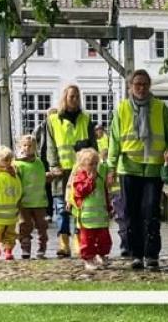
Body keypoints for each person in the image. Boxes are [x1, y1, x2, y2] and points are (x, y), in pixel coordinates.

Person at [106, 69, 168, 270]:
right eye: (137, 84)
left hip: (154, 168)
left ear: (149, 86)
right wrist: (111, 167)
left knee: (151, 211)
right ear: (130, 87)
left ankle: (152, 254)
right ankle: (136, 254)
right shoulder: (122, 109)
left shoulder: (160, 108)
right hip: (129, 168)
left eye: (145, 84)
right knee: (131, 213)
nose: (141, 88)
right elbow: (114, 140)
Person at [46, 86, 96, 257]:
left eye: (77, 96)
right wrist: (53, 165)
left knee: (79, 207)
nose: (75, 99)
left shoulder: (86, 119)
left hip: (81, 171)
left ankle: (78, 240)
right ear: (65, 98)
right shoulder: (53, 120)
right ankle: (63, 242)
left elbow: (93, 145)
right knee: (61, 208)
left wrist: (93, 166)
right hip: (62, 171)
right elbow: (50, 146)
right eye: (71, 96)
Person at [66, 147, 113, 271]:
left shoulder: (100, 177)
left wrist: (109, 207)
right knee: (87, 241)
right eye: (90, 164)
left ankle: (102, 254)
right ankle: (88, 258)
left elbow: (104, 193)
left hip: (101, 216)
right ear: (82, 165)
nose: (93, 167)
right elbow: (80, 192)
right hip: (86, 218)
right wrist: (89, 181)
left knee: (104, 239)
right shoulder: (79, 177)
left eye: (96, 164)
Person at [14, 134, 49, 259]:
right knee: (24, 226)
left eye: (30, 146)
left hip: (39, 201)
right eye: (24, 145)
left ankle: (42, 248)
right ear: (20, 147)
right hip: (24, 202)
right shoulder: (17, 164)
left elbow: (41, 177)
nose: (27, 148)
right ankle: (25, 248)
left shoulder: (39, 162)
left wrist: (50, 176)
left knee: (42, 226)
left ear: (35, 147)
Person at [35, 108, 58, 222]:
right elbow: (35, 139)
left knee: (59, 186)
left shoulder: (60, 126)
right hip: (44, 160)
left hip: (56, 160)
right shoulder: (41, 127)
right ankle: (48, 212)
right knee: (46, 186)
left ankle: (62, 210)